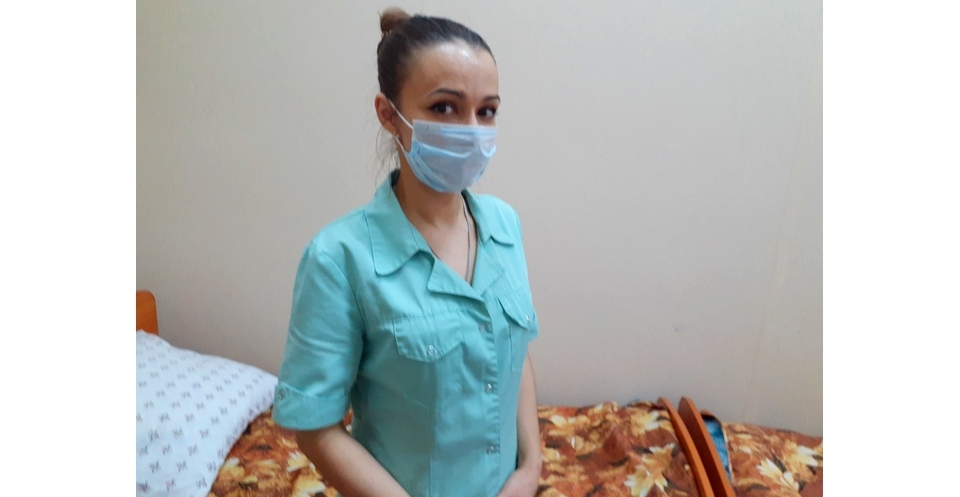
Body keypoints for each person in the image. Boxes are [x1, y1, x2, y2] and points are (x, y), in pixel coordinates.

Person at [272, 7, 541, 497]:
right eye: (444, 108)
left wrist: (531, 468)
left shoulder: (504, 225)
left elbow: (512, 353)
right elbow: (315, 427)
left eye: (486, 111)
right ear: (388, 114)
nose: (471, 130)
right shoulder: (338, 258)